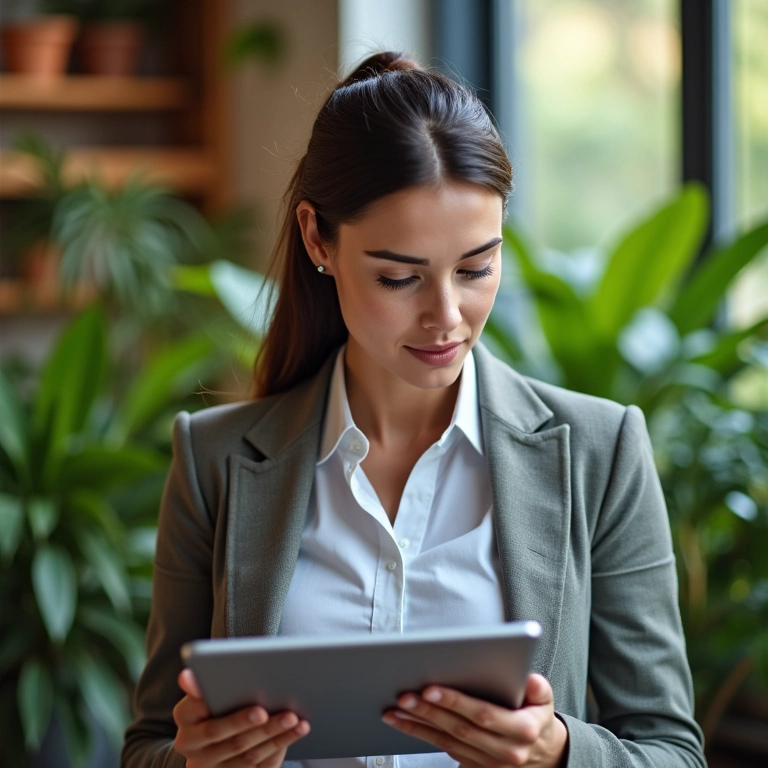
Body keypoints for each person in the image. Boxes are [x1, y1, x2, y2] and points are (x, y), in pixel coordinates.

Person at [121, 51, 707, 768]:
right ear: (317, 239)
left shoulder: (599, 451)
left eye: (476, 268)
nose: (447, 316)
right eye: (399, 277)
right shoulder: (215, 461)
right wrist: (196, 760)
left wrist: (557, 753)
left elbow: (673, 751)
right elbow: (148, 745)